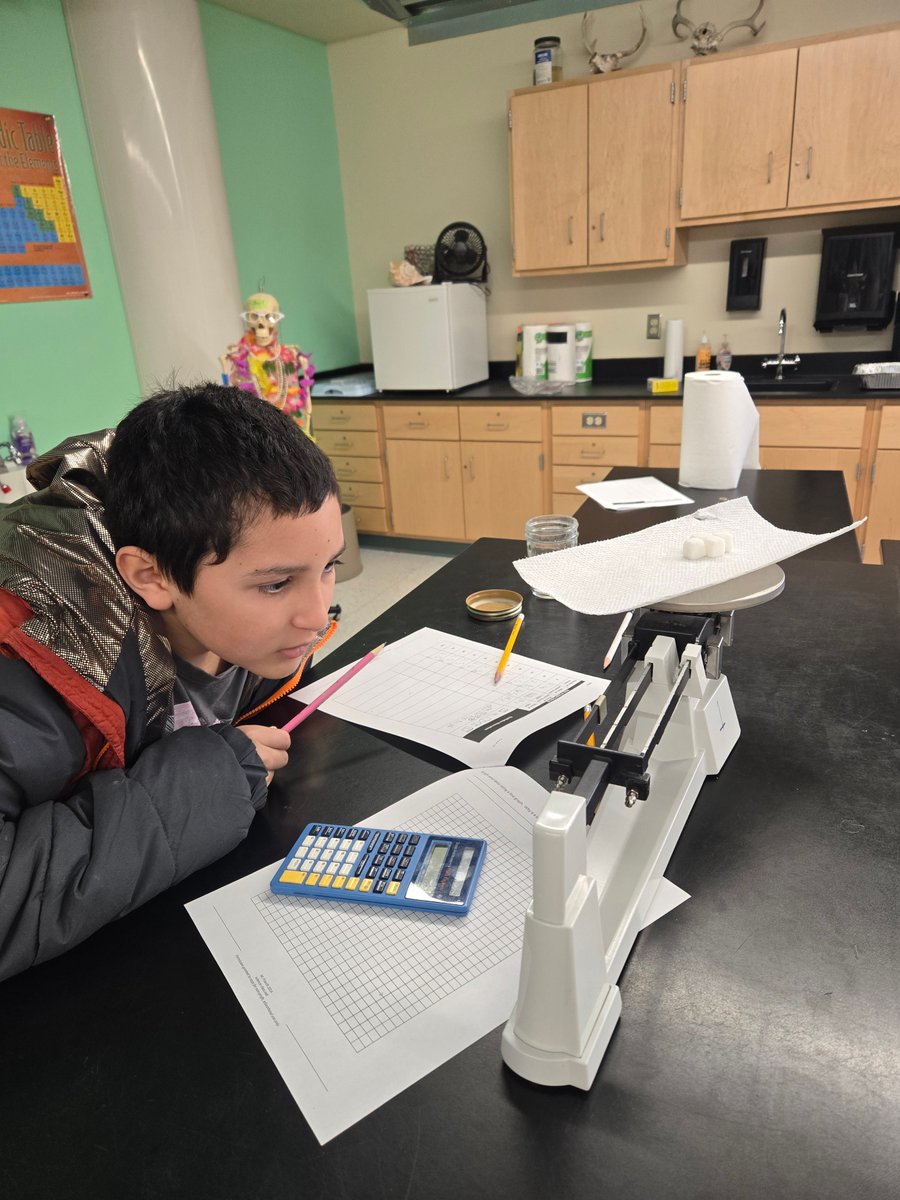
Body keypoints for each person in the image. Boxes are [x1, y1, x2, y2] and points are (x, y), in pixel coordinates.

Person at [0, 383, 344, 983]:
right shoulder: (33, 658)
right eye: (275, 584)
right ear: (151, 575)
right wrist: (209, 780)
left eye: (329, 568)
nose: (318, 617)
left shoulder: (250, 627)